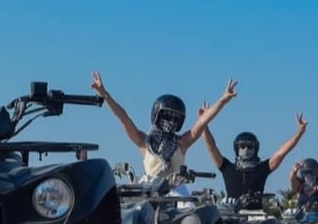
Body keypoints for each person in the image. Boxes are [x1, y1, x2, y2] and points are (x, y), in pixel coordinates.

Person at [90, 71, 237, 194]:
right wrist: (104, 93)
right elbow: (123, 117)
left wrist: (224, 99)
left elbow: (202, 121)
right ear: (157, 115)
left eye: (175, 119)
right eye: (167, 116)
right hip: (149, 192)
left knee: (191, 214)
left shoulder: (182, 143)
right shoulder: (144, 143)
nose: (171, 122)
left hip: (176, 192)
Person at [199, 111, 308, 210]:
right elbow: (211, 147)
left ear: (256, 149)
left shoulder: (262, 169)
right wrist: (204, 123)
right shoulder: (227, 167)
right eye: (242, 146)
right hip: (231, 216)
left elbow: (282, 152)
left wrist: (299, 133)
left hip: (257, 218)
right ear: (236, 148)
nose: (246, 149)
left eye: (250, 146)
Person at [290, 158, 318, 223]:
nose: (309, 176)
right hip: (302, 218)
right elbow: (292, 179)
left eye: (312, 173)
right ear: (302, 173)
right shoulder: (300, 185)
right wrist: (294, 171)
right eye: (306, 173)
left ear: (317, 173)